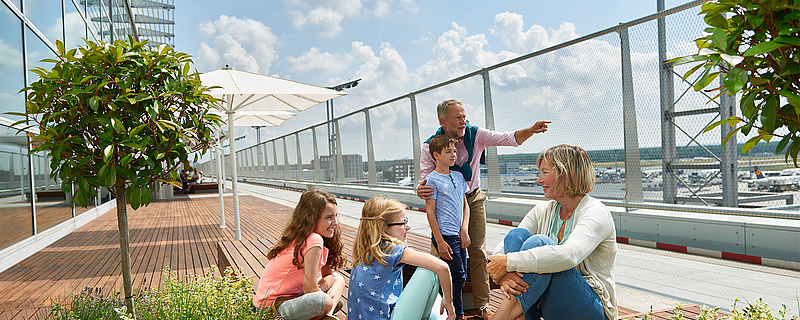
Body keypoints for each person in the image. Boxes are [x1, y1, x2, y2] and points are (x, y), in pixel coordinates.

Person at [417, 99, 550, 319]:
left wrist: (531, 130)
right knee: (439, 255)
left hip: (471, 197)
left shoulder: (475, 134)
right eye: (458, 117)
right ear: (443, 120)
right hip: (444, 201)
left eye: (464, 116)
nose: (464, 121)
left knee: (477, 251)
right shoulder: (430, 145)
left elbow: (507, 138)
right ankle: (438, 305)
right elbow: (425, 181)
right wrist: (420, 190)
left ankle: (481, 305)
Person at [486, 145, 618, 320]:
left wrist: (508, 262)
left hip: (590, 309)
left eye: (544, 172)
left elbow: (569, 256)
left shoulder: (596, 212)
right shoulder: (543, 211)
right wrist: (506, 276)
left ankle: (502, 317)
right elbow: (504, 247)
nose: (539, 180)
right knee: (515, 237)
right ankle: (514, 315)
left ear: (566, 173)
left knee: (540, 244)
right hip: (547, 305)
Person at [349, 197, 456, 320]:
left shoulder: (366, 249)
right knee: (430, 272)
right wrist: (448, 300)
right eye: (403, 222)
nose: (408, 227)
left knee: (435, 297)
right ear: (383, 227)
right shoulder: (391, 249)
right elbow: (442, 267)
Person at [253, 189, 347, 320]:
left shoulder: (311, 237)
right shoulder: (314, 239)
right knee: (324, 301)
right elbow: (309, 288)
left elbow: (329, 275)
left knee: (338, 279)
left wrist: (320, 288)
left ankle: (325, 314)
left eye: (336, 216)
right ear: (311, 219)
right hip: (271, 308)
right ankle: (326, 314)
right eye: (329, 217)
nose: (335, 222)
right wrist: (321, 293)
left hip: (292, 298)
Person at [424, 134, 470, 319]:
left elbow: (465, 206)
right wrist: (440, 241)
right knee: (457, 276)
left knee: (461, 276)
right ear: (436, 155)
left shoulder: (458, 177)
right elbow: (430, 212)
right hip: (445, 235)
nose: (453, 155)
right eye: (448, 152)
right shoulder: (431, 180)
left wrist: (464, 230)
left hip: (459, 234)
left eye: (454, 151)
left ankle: (446, 312)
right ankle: (456, 314)